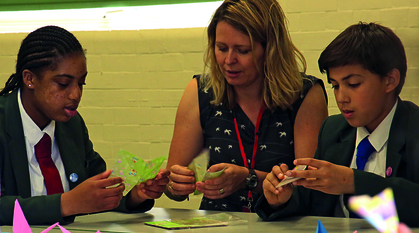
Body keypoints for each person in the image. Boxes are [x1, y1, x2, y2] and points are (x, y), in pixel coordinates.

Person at [164, 0, 328, 212]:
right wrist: (176, 183)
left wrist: (248, 178)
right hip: (217, 225)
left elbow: (310, 187)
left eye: (243, 50)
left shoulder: (304, 94)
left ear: (270, 50)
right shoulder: (201, 91)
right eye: (221, 48)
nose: (229, 60)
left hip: (283, 224)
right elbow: (170, 184)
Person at [0, 25, 170, 225]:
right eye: (63, 83)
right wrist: (66, 203)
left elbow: (95, 189)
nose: (76, 95)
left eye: (81, 83)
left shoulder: (71, 124)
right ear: (30, 79)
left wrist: (136, 196)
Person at [255, 22, 419, 227]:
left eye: (353, 84)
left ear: (390, 80)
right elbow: (311, 201)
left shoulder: (414, 129)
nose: (341, 98)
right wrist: (282, 199)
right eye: (335, 85)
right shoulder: (333, 130)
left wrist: (354, 182)